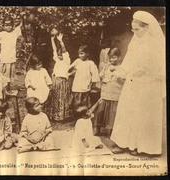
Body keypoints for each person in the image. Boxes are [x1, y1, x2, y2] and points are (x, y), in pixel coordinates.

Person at [110, 11, 166, 156]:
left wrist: (145, 71)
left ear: (147, 27)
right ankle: (126, 144)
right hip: (133, 82)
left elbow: (159, 67)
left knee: (144, 115)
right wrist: (120, 73)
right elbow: (129, 60)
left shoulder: (156, 44)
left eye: (138, 29)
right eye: (133, 29)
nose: (135, 32)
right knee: (128, 112)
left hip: (149, 85)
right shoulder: (135, 41)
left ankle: (145, 147)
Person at [93, 48, 124, 136]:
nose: (111, 60)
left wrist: (117, 75)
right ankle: (98, 128)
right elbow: (101, 75)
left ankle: (111, 131)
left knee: (112, 113)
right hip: (105, 93)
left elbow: (122, 81)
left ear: (119, 58)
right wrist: (103, 75)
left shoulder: (121, 68)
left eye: (113, 57)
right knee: (101, 111)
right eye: (110, 58)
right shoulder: (107, 66)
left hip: (115, 94)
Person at [68, 45, 100, 120]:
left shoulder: (90, 63)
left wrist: (92, 84)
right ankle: (77, 117)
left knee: (84, 102)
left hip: (85, 86)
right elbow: (69, 70)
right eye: (79, 54)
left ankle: (84, 117)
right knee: (76, 102)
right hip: (77, 86)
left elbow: (95, 75)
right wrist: (72, 70)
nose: (80, 55)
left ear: (87, 53)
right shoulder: (77, 61)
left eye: (82, 53)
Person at [0, 16, 22, 92]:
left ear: (12, 25)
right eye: (6, 25)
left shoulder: (15, 33)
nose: (8, 27)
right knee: (3, 74)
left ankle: (7, 88)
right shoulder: (2, 34)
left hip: (12, 58)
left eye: (10, 25)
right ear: (3, 25)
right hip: (4, 58)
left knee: (9, 75)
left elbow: (20, 26)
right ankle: (1, 88)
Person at [47, 32, 72, 121]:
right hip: (55, 81)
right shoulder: (57, 59)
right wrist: (52, 39)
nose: (59, 56)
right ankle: (55, 116)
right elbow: (54, 49)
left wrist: (61, 41)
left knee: (62, 98)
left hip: (62, 82)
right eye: (58, 55)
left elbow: (64, 50)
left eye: (61, 55)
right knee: (55, 98)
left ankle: (62, 116)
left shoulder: (66, 59)